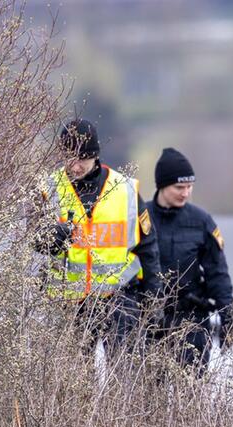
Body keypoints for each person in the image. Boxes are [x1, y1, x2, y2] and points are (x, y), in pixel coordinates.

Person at [35, 118, 162, 354]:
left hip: (120, 299)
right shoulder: (47, 189)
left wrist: (153, 300)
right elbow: (32, 244)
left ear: (95, 155)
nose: (75, 167)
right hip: (67, 304)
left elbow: (148, 246)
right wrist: (51, 238)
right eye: (69, 158)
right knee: (72, 382)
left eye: (82, 159)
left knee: (124, 375)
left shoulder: (125, 189)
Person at [144, 147, 233, 371]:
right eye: (179, 187)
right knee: (148, 397)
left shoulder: (201, 220)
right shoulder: (140, 217)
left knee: (192, 389)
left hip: (192, 320)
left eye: (189, 187)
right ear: (162, 185)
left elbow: (218, 274)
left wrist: (227, 319)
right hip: (150, 320)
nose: (186, 193)